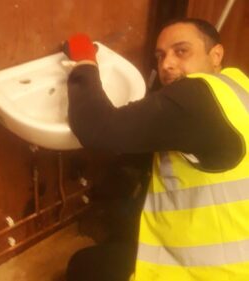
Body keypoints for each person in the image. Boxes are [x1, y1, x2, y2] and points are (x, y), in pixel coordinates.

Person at [63, 18, 249, 281]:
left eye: (181, 51)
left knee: (83, 266)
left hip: (210, 271)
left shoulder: (196, 96)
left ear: (216, 54)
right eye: (160, 56)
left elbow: (96, 128)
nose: (166, 64)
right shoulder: (237, 85)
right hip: (237, 248)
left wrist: (84, 61)